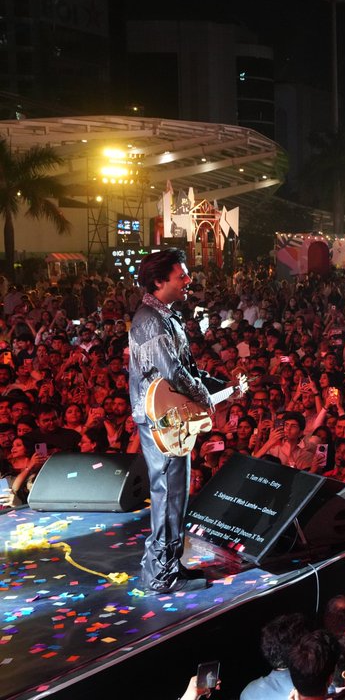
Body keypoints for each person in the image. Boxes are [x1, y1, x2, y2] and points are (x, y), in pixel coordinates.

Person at [128, 248, 233, 594]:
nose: (189, 281)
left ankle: (167, 565)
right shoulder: (150, 318)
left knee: (173, 495)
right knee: (170, 494)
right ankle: (161, 575)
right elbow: (171, 372)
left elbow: (183, 367)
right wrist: (203, 395)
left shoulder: (165, 316)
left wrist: (217, 386)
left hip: (169, 416)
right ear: (159, 281)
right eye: (182, 276)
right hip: (161, 420)